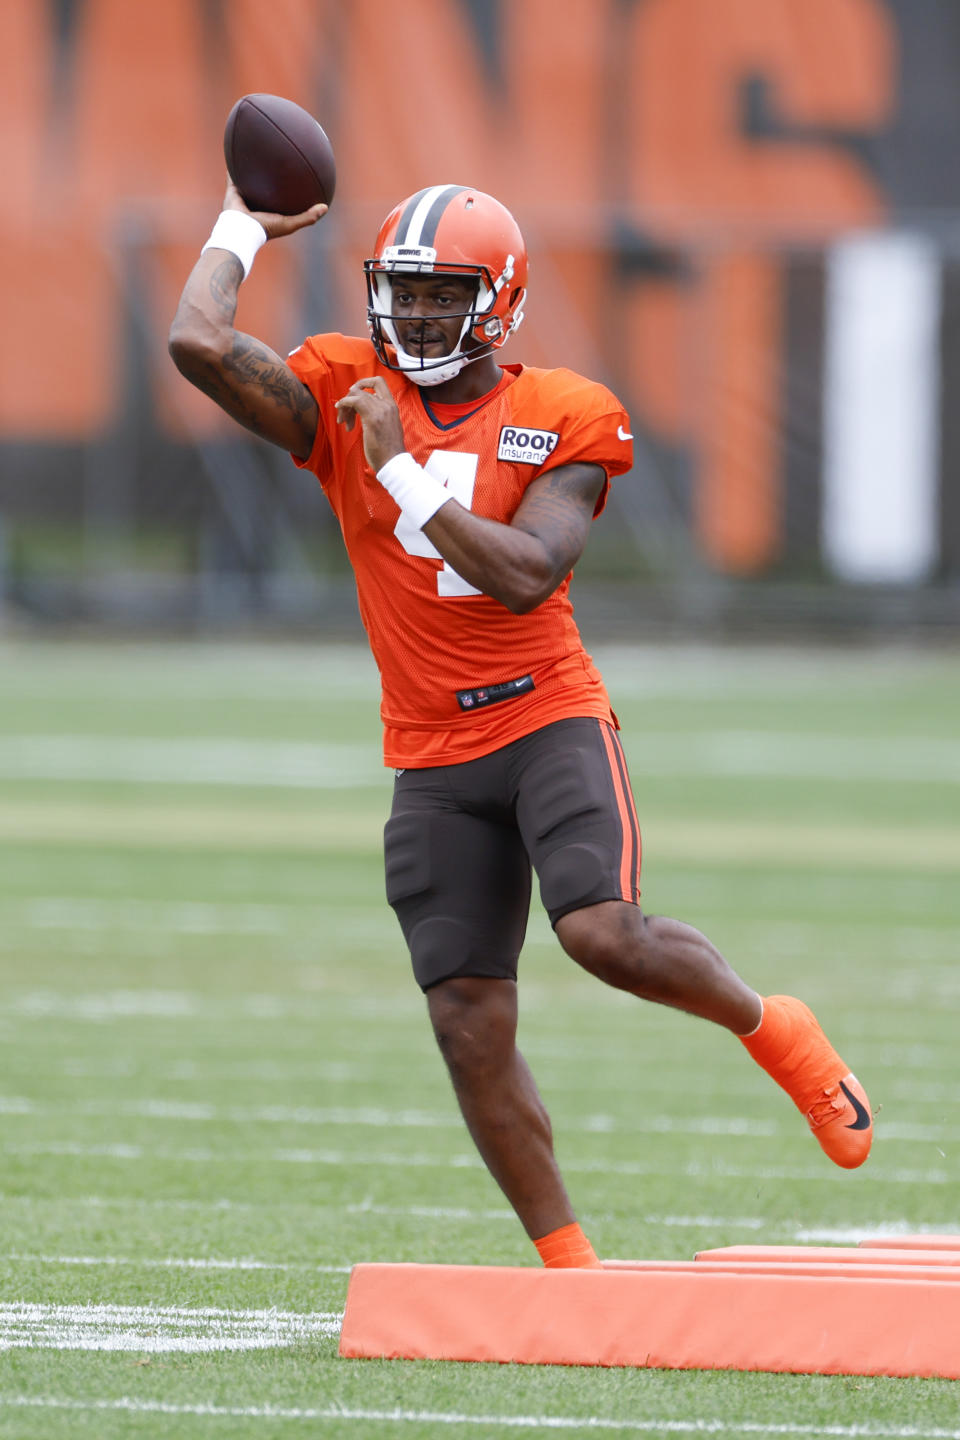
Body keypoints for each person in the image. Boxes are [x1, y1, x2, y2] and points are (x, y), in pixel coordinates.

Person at [169, 181, 873, 1269]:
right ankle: (571, 1274)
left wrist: (397, 465)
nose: (415, 322)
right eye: (401, 295)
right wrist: (241, 226)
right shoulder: (348, 389)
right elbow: (198, 342)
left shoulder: (566, 409)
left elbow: (525, 576)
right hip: (431, 754)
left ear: (500, 303)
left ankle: (772, 1026)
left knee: (603, 935)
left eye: (442, 298)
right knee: (465, 1019)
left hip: (546, 717)